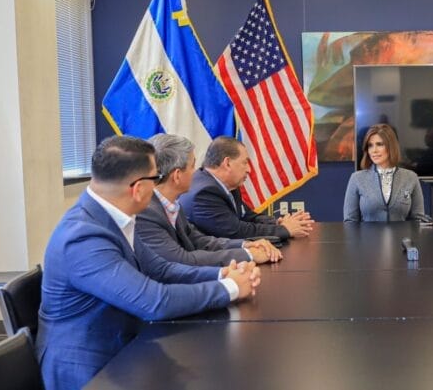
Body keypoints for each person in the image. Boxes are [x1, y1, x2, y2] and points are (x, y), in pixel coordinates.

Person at [35, 136, 260, 390]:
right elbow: (154, 302)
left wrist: (222, 274)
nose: (159, 186)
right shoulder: (84, 238)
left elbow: (162, 269)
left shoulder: (115, 218)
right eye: (156, 178)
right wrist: (230, 288)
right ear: (139, 188)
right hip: (88, 369)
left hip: (125, 346)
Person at [137, 134, 282, 266]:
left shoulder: (171, 204)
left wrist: (245, 245)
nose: (196, 172)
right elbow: (181, 260)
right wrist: (248, 255)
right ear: (177, 176)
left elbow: (198, 240)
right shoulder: (145, 213)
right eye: (192, 166)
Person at [179, 136, 314, 240]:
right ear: (227, 163)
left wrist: (277, 222)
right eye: (245, 163)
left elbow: (247, 216)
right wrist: (285, 230)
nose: (249, 170)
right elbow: (236, 231)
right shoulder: (204, 193)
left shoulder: (226, 184)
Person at [344, 124, 426, 222]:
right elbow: (350, 222)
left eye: (379, 144)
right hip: (368, 233)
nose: (374, 150)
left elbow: (418, 220)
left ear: (391, 147)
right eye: (370, 145)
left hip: (402, 232)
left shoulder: (411, 177)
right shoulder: (357, 178)